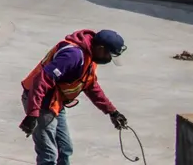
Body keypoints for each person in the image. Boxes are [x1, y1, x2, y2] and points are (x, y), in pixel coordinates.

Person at [19, 29, 129, 165]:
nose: (109, 59)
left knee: (65, 149)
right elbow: (41, 80)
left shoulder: (90, 57)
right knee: (48, 155)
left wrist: (113, 112)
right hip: (41, 102)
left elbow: (90, 86)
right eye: (109, 55)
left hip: (56, 101)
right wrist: (32, 114)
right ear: (101, 48)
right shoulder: (73, 56)